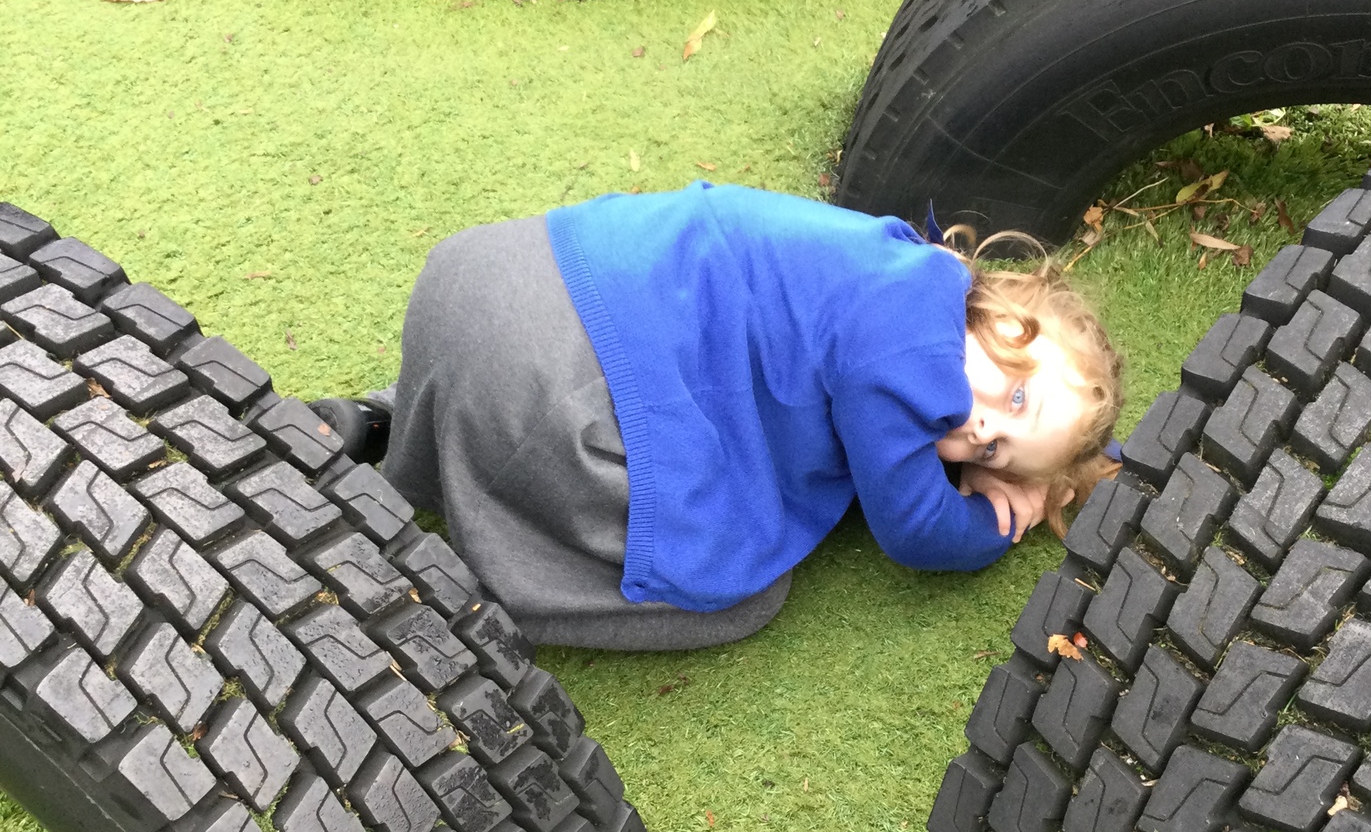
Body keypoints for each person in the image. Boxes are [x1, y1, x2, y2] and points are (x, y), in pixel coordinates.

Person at [314, 184, 1123, 651]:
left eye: (999, 452)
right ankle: (455, 589)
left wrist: (1050, 452)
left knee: (541, 389)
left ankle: (384, 422)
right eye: (1015, 398)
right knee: (739, 595)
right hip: (549, 380)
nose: (980, 429)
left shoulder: (895, 259)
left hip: (485, 275)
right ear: (1002, 313)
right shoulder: (914, 348)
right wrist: (993, 520)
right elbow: (913, 531)